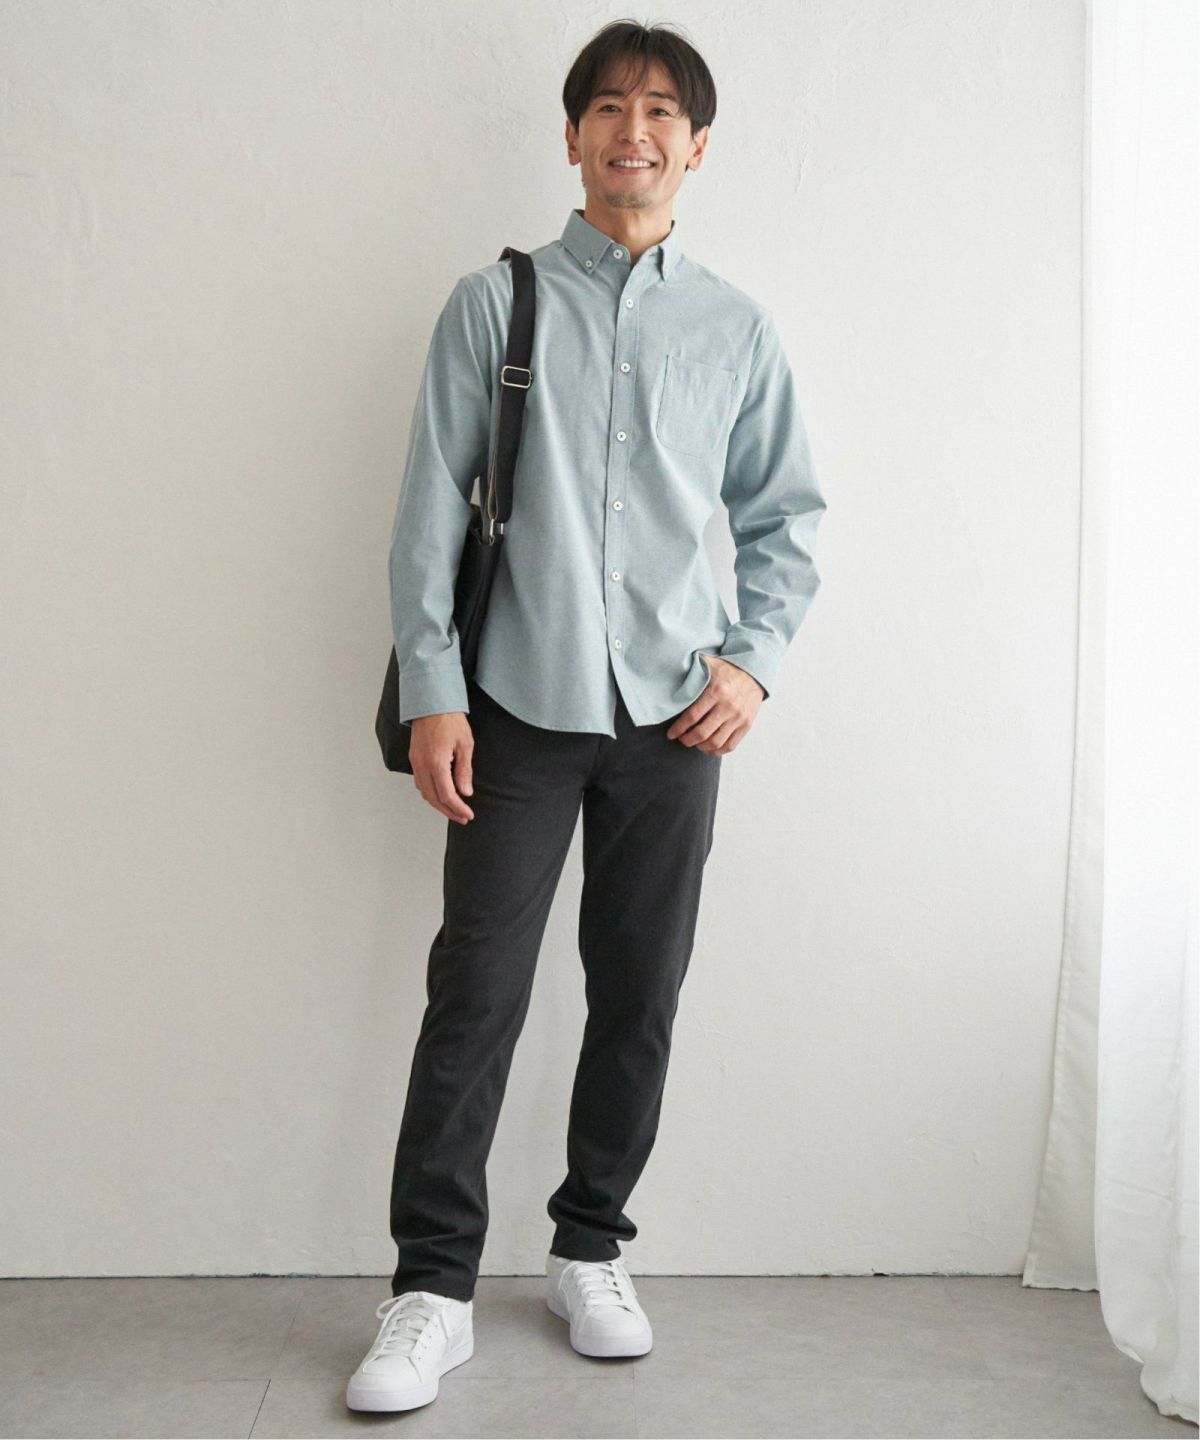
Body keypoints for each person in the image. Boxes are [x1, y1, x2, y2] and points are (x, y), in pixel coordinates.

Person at [347, 18, 826, 1414]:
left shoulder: (736, 327)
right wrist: (434, 691)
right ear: (572, 137)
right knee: (476, 991)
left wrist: (752, 664)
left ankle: (591, 1248)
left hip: (676, 718)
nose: (636, 129)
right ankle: (432, 1288)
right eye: (610, 106)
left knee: (639, 993)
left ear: (697, 146)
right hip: (514, 707)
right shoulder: (493, 306)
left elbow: (786, 519)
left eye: (663, 109)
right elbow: (428, 516)